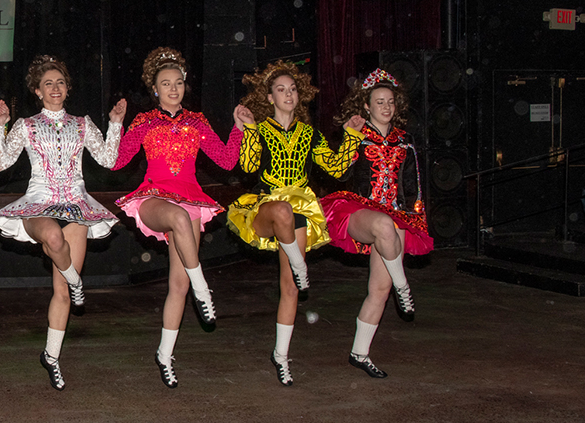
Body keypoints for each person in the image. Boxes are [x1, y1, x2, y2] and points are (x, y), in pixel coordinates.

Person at [0, 55, 126, 391]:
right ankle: (78, 281)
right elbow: (1, 163)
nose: (55, 88)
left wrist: (116, 124)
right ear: (37, 90)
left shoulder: (82, 124)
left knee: (61, 291)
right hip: (40, 200)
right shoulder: (27, 125)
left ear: (67, 89)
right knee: (51, 236)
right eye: (47, 83)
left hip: (76, 203)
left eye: (60, 82)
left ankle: (51, 357)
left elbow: (108, 159)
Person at [111, 47, 245, 388]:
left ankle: (165, 355)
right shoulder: (144, 121)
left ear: (185, 86)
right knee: (182, 222)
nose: (173, 89)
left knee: (178, 283)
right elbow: (117, 162)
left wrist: (240, 128)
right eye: (166, 84)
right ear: (155, 90)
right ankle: (205, 289)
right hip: (154, 198)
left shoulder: (197, 121)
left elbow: (228, 161)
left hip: (190, 200)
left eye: (179, 83)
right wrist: (115, 125)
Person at [227, 61, 364, 386]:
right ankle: (301, 264)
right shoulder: (260, 128)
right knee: (283, 210)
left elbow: (335, 168)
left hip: (301, 210)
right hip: (267, 208)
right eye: (280, 89)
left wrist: (353, 138)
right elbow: (246, 166)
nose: (288, 94)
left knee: (289, 287)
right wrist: (245, 129)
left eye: (292, 89)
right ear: (270, 97)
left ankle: (281, 356)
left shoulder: (308, 134)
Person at [319, 68, 433, 378]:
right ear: (366, 106)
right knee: (383, 226)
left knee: (379, 289)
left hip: (393, 215)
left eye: (390, 102)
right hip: (357, 211)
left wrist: (415, 217)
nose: (385, 107)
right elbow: (338, 172)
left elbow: (412, 184)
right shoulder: (357, 135)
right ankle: (404, 286)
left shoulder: (404, 141)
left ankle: (360, 353)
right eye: (379, 102)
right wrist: (348, 136)